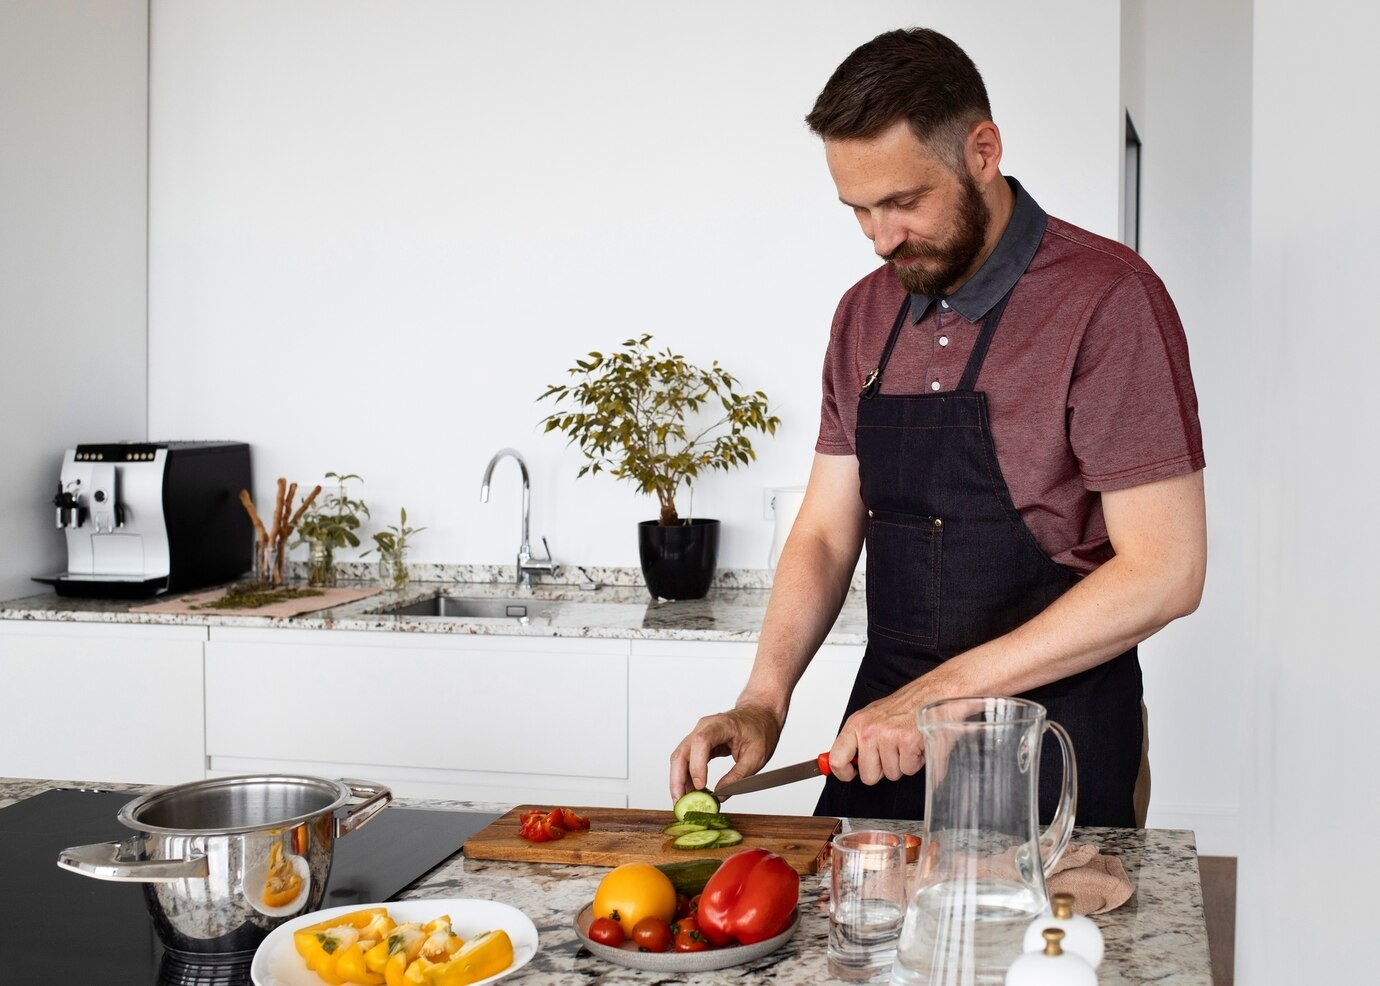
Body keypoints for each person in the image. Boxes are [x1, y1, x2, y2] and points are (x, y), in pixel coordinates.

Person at [669, 28, 1207, 827]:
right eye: (858, 210)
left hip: (1052, 736)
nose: (881, 238)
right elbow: (823, 530)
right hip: (885, 734)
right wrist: (762, 701)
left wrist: (940, 695)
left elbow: (1167, 569)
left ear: (982, 152)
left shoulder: (1107, 301)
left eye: (903, 202)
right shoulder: (863, 313)